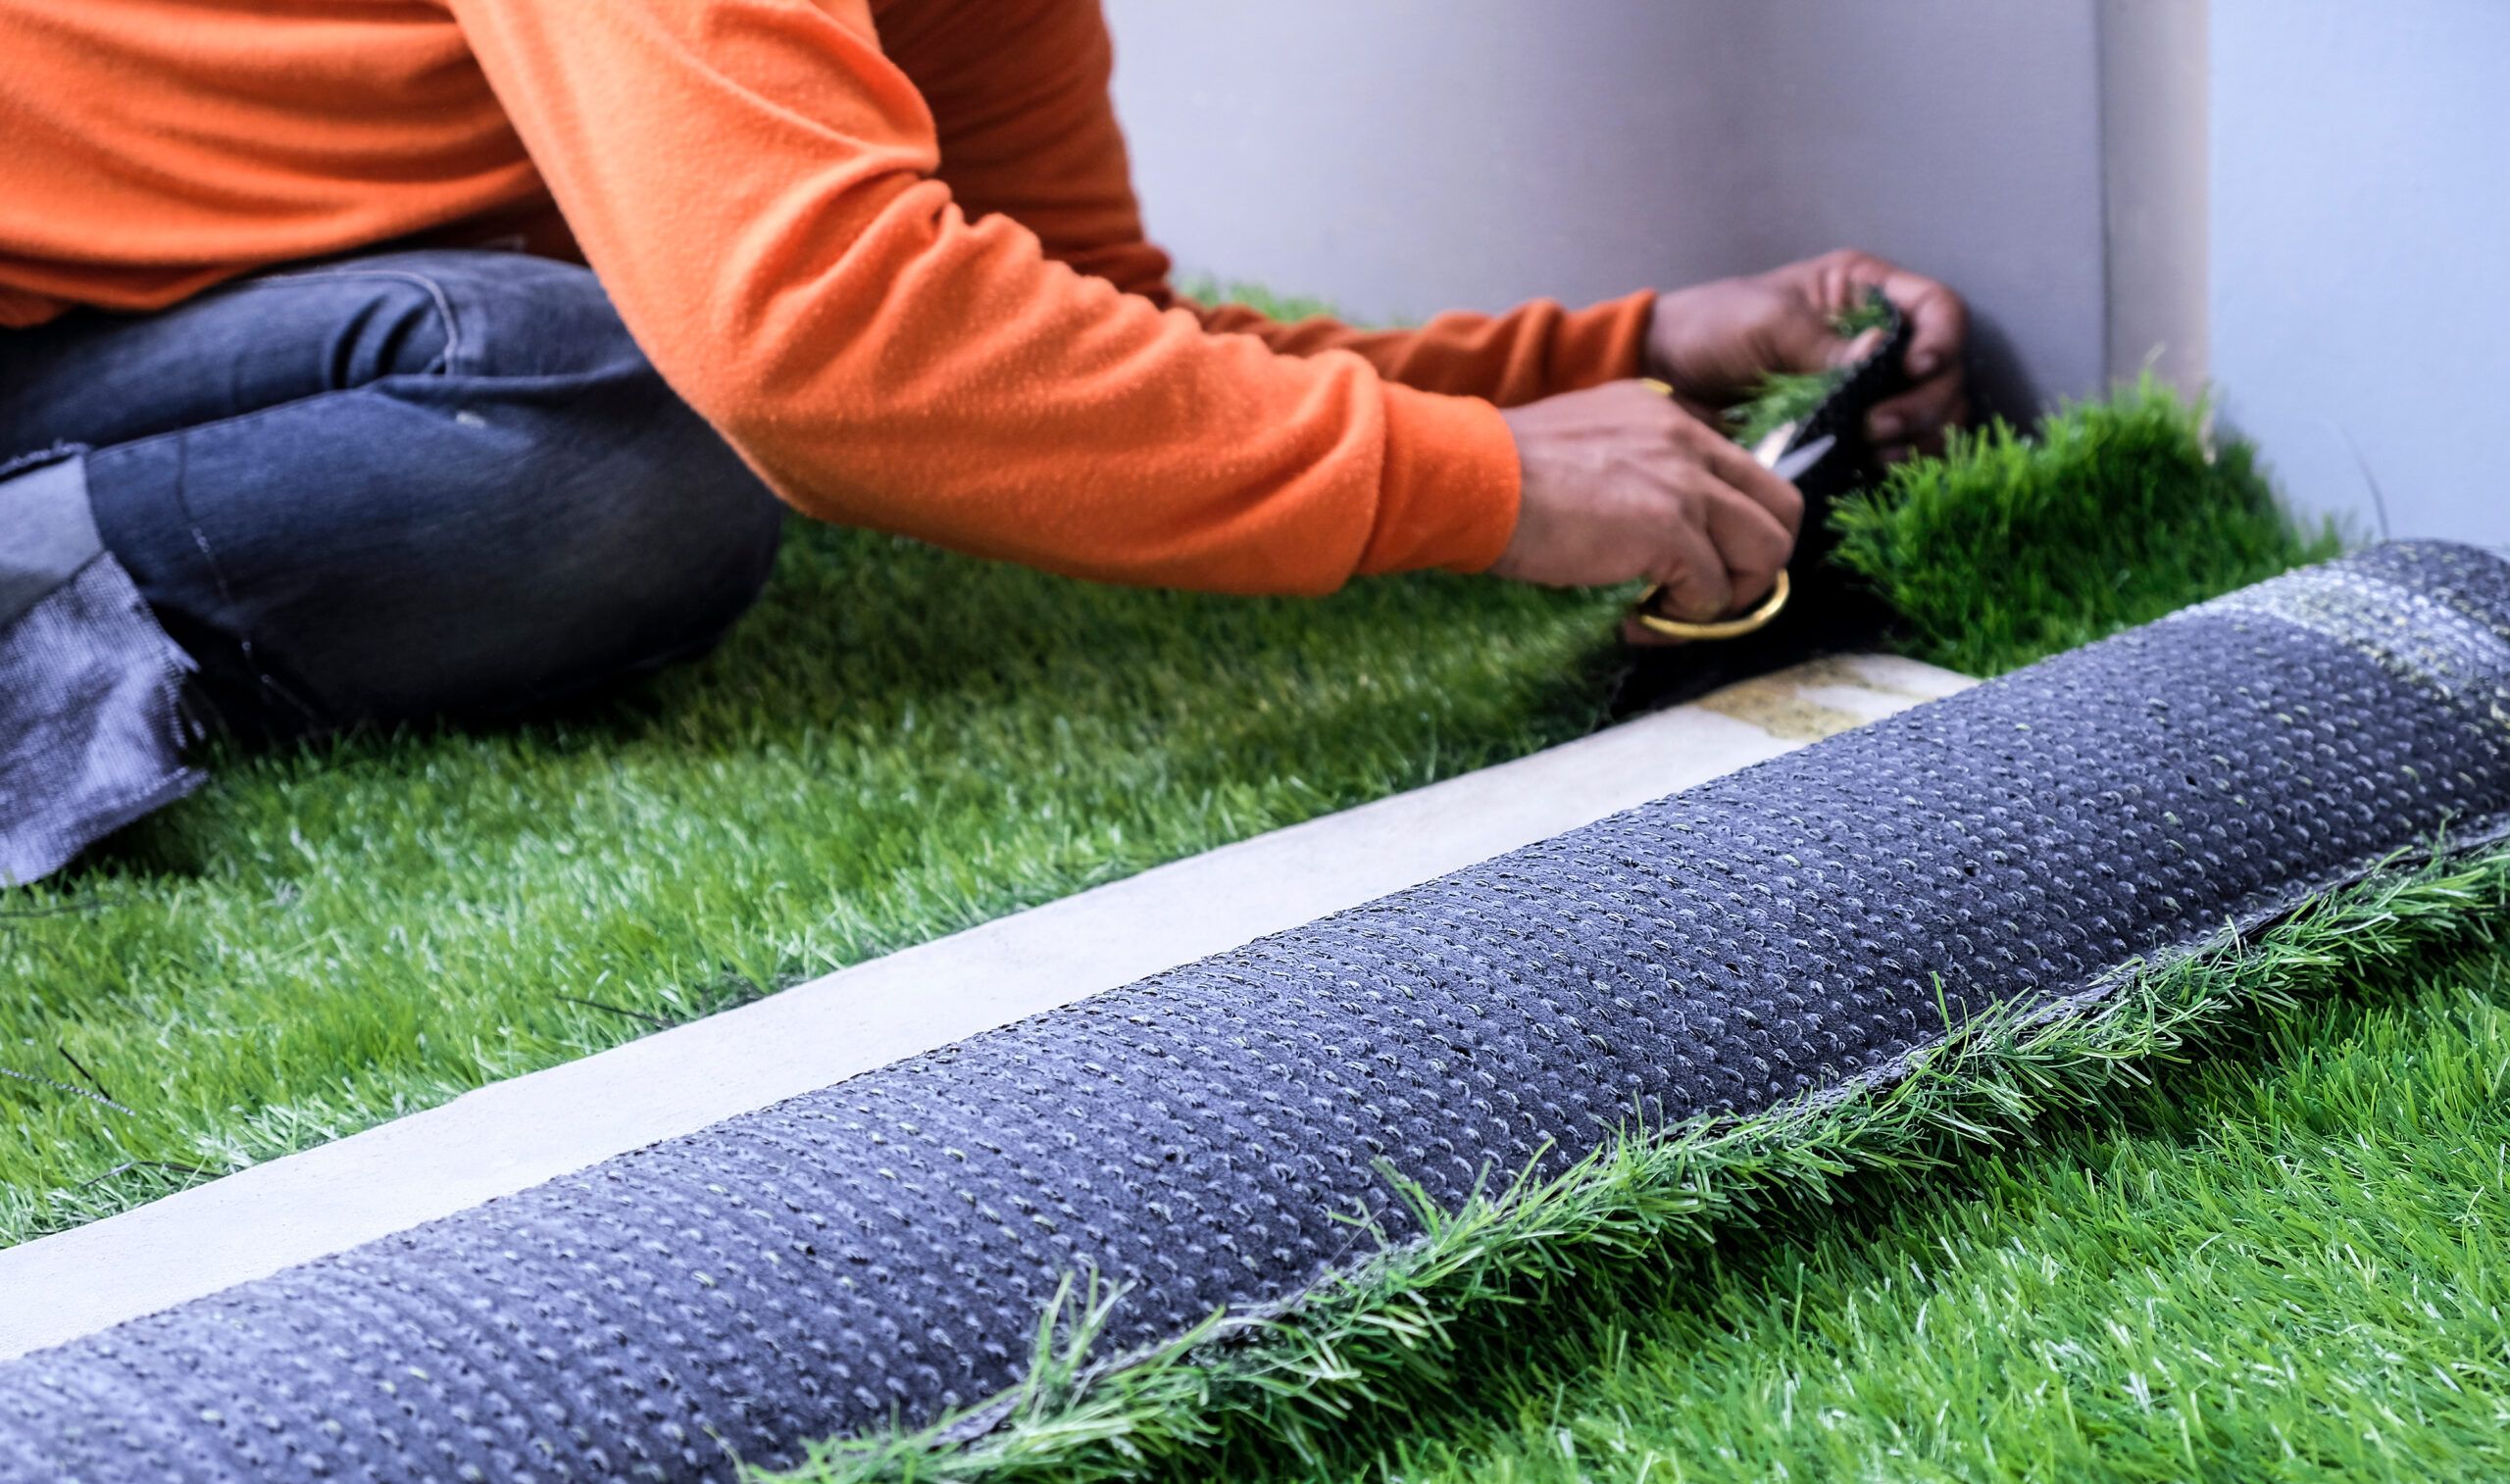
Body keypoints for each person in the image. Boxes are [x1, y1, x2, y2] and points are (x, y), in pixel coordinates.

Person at [0, 0, 1968, 886]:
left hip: (170, 321)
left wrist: (1632, 352)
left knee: (599, 384)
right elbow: (827, 346)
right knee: (615, 429)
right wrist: (1492, 489)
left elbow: (1062, 326)